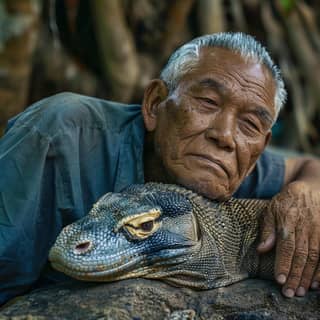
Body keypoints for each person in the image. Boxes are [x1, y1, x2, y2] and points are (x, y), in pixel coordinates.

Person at [0, 32, 319, 305]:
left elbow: (309, 166)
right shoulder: (60, 135)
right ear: (155, 104)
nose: (224, 135)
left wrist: (307, 192)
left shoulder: (226, 160)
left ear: (258, 152)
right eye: (208, 102)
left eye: (249, 124)